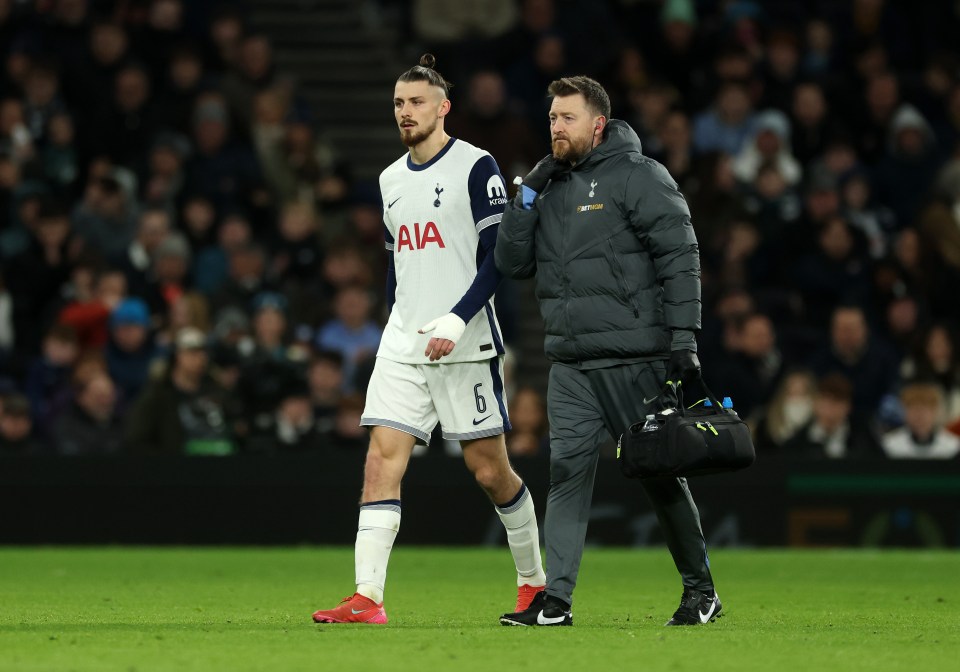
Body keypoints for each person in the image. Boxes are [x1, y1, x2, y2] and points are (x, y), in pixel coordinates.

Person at [311, 55, 546, 626]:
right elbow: (397, 260)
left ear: (443, 108)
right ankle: (368, 598)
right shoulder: (390, 179)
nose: (405, 112)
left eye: (416, 102)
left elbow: (500, 258)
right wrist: (399, 318)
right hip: (403, 345)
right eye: (398, 103)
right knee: (379, 461)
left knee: (489, 471)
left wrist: (457, 318)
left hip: (464, 344)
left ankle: (534, 584)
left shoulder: (476, 166)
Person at [495, 76, 719, 627]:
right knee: (566, 471)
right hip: (569, 361)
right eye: (551, 118)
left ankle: (701, 591)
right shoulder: (547, 186)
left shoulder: (639, 177)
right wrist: (525, 195)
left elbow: (681, 257)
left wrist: (684, 342)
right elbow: (512, 263)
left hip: (632, 356)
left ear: (598, 123)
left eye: (567, 118)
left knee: (658, 475)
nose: (556, 127)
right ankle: (557, 602)